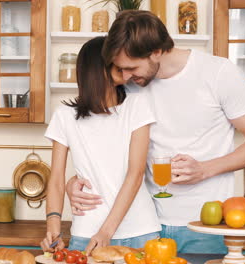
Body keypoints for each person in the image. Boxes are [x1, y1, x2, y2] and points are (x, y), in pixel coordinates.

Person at [66, 10, 245, 254]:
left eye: (131, 68)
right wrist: (74, 182)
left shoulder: (218, 73)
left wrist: (204, 169)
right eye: (120, 69)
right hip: (143, 226)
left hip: (203, 224)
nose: (124, 77)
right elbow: (103, 145)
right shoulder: (131, 86)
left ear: (156, 51)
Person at [40, 36, 161, 255]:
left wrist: (106, 231)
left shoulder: (137, 106)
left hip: (139, 231)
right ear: (99, 69)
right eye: (118, 67)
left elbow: (136, 173)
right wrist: (53, 229)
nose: (126, 74)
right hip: (86, 234)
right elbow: (56, 178)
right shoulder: (64, 116)